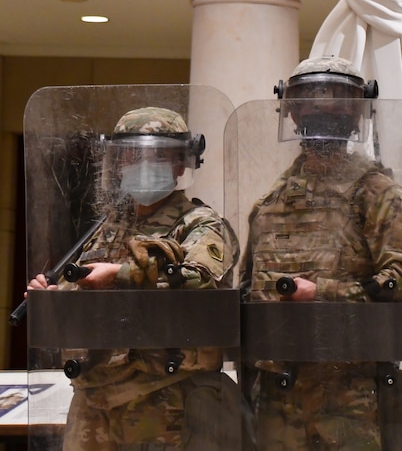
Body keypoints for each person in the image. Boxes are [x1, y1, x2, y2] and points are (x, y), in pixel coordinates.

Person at [239, 55, 402, 450]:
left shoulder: (376, 193)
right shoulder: (269, 202)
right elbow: (247, 295)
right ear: (290, 111)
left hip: (352, 394)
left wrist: (323, 294)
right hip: (277, 395)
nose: (323, 112)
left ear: (357, 113)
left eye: (338, 103)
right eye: (309, 101)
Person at [26, 106, 244, 450]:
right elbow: (84, 283)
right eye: (131, 155)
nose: (142, 164)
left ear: (180, 163)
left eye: (157, 155)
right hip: (93, 396)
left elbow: (201, 283)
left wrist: (119, 275)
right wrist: (53, 294)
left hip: (165, 396)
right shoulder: (108, 228)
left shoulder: (200, 224)